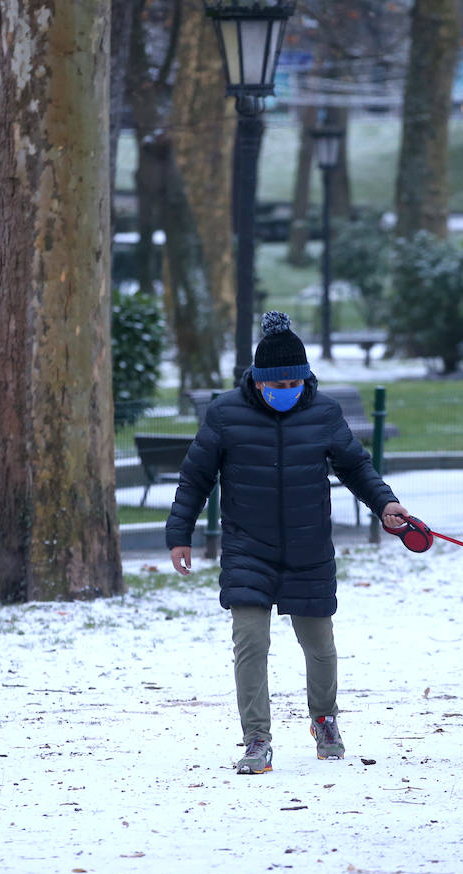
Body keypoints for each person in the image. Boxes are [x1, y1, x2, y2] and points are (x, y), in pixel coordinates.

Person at [166, 310, 409, 775]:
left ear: (305, 380)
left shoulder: (323, 413)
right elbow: (194, 478)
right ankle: (257, 739)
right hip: (247, 548)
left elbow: (356, 467)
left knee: (320, 645)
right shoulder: (225, 414)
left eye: (294, 384)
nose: (286, 393)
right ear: (258, 383)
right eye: (277, 386)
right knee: (250, 645)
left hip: (308, 547)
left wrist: (386, 505)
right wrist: (180, 534)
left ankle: (324, 720)